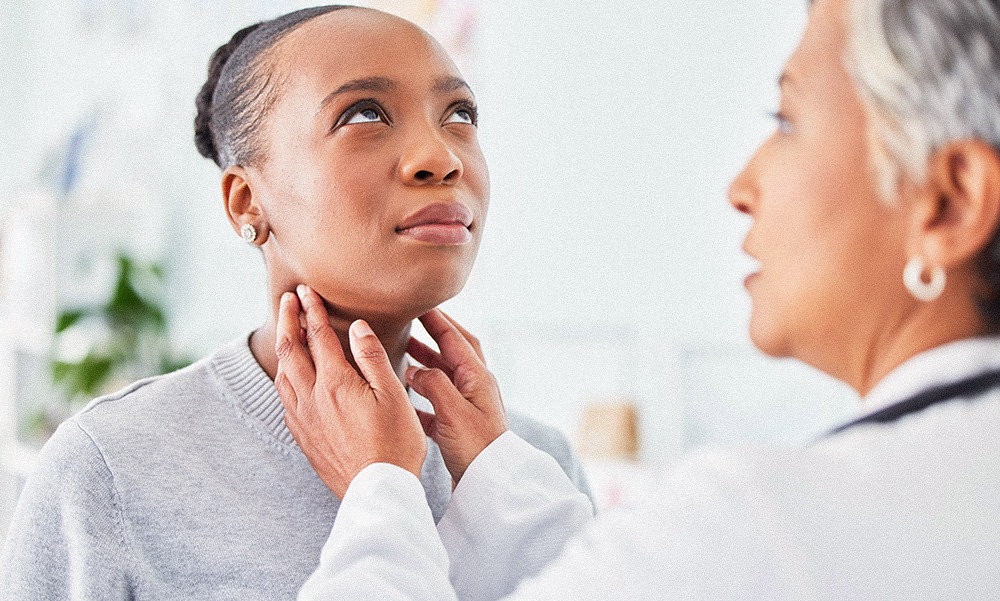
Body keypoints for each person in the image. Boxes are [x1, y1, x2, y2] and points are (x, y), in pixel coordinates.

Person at [275, 0, 1000, 598]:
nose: (741, 186)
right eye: (365, 113)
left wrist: (380, 492)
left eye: (785, 121)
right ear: (246, 199)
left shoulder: (759, 523)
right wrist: (498, 480)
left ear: (950, 202)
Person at [0, 6, 591, 599]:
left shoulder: (534, 467)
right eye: (365, 114)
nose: (441, 158)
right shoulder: (107, 473)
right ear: (246, 202)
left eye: (459, 114)